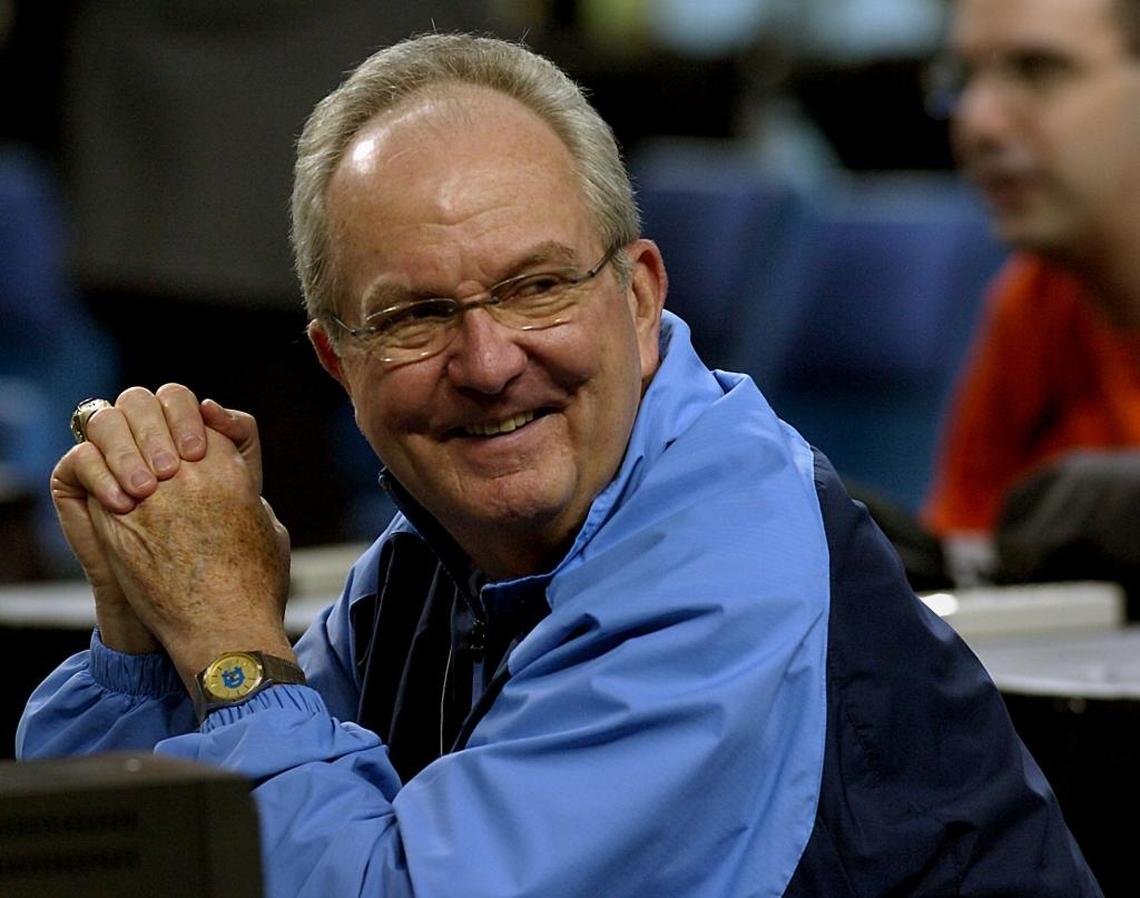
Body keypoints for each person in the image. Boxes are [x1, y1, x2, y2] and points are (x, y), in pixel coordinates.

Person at [18, 33, 1099, 897]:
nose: (488, 363)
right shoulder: (441, 554)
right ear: (336, 363)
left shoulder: (719, 566)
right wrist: (144, 630)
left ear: (638, 301)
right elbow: (106, 851)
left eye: (537, 287)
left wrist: (229, 642)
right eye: (416, 314)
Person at [923, 0, 1140, 538]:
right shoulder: (1035, 300)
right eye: (964, 77)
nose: (977, 123)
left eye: (1038, 69)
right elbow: (969, 549)